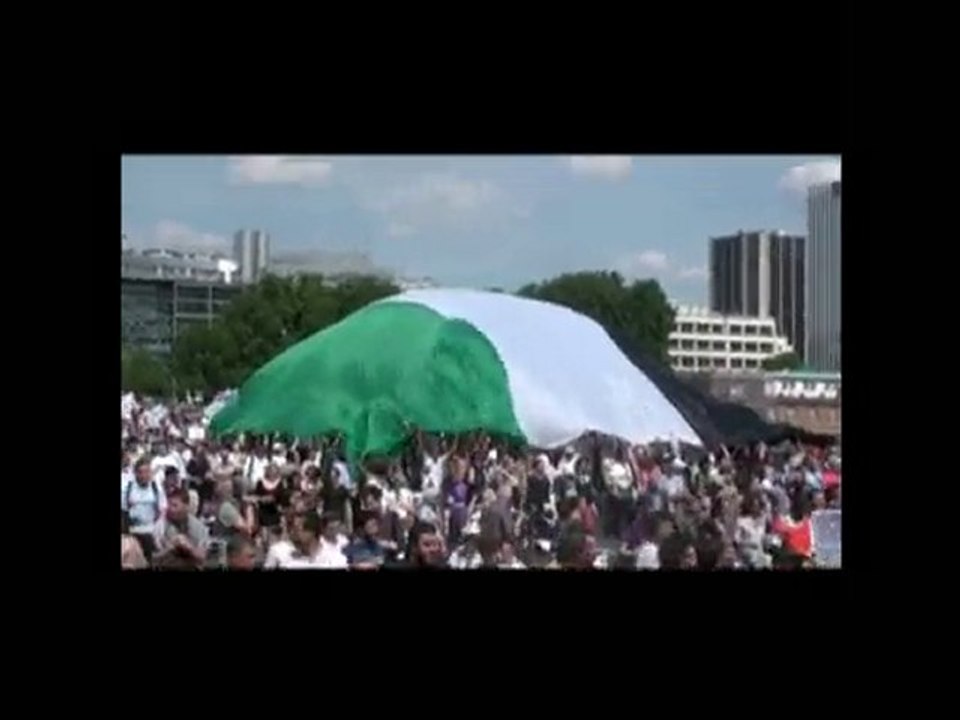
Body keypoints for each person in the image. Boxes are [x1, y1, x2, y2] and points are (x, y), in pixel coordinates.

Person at [121, 458, 167, 561]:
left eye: (147, 472)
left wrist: (159, 530)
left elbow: (162, 509)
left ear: (151, 473)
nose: (144, 476)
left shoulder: (156, 488)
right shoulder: (128, 488)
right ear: (135, 473)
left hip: (151, 530)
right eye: (140, 472)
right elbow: (123, 510)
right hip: (133, 530)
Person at [153, 488, 210, 569]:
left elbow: (203, 557)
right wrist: (171, 547)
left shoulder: (198, 527)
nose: (171, 509)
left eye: (175, 505)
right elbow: (155, 559)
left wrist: (188, 547)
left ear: (186, 506)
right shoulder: (160, 526)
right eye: (169, 504)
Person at [250, 464, 288, 539]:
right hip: (263, 512)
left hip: (275, 512)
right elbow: (256, 495)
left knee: (274, 535)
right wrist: (262, 499)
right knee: (264, 534)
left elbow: (282, 497)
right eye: (270, 470)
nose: (272, 472)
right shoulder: (260, 482)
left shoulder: (280, 483)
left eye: (274, 470)